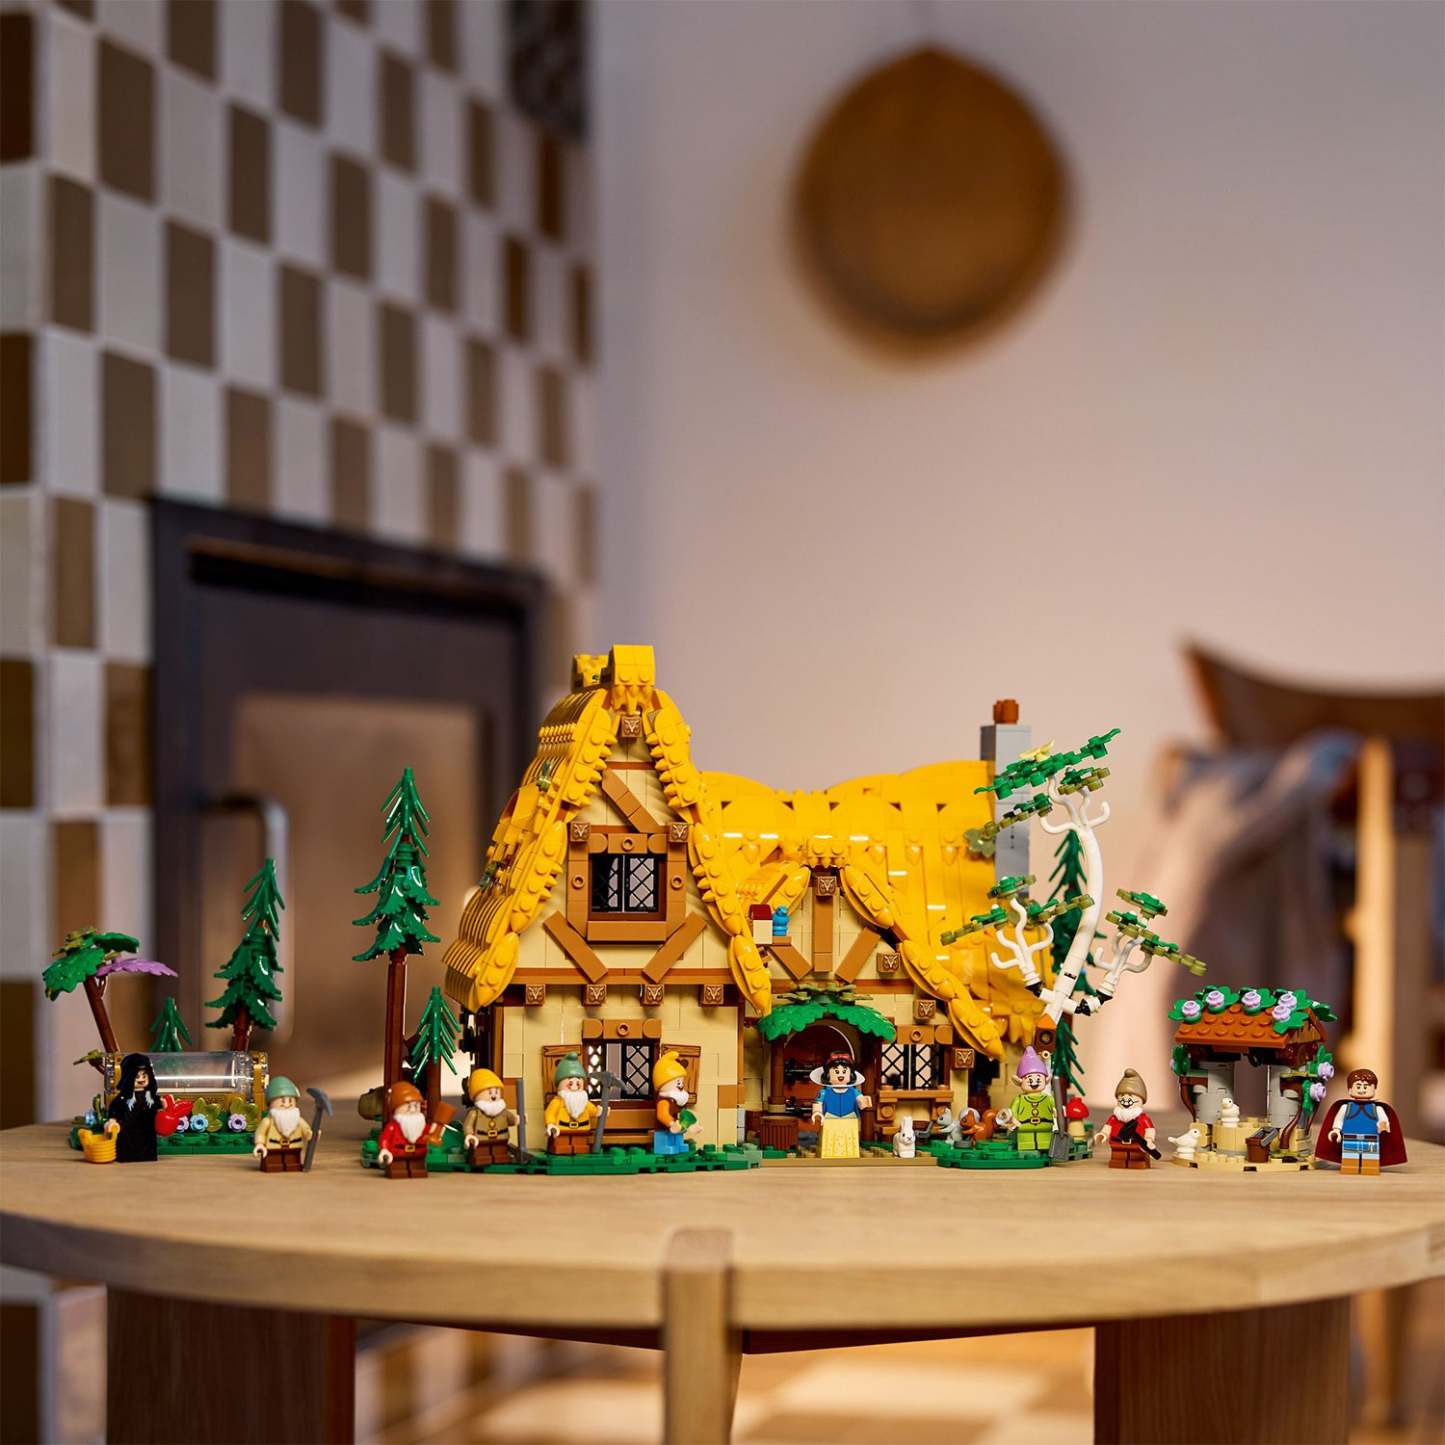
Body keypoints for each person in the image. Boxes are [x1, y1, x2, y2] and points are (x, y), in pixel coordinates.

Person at [1314, 1069, 1406, 1175]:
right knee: (1350, 1159)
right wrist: (1336, 1130)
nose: (1362, 1090)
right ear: (1350, 1090)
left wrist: (1383, 1126)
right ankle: (1350, 1168)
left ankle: (1370, 1168)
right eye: (1358, 1087)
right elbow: (1339, 1119)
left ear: (1374, 1089)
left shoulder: (1377, 1109)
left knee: (1370, 1160)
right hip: (1350, 1138)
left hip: (1371, 1139)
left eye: (1366, 1087)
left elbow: (1384, 1120)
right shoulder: (1345, 1107)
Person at [1092, 1068, 1158, 1170]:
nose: (1125, 1100)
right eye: (1122, 1095)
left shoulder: (1143, 1119)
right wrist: (1103, 1134)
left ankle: (1138, 1163)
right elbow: (1107, 1127)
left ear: (1141, 1100)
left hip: (1137, 1144)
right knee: (1118, 1158)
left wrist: (1149, 1140)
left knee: (1137, 1158)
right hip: (1117, 1143)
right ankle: (1119, 1162)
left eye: (1131, 1096)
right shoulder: (1114, 1118)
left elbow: (1150, 1130)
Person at [810, 1051, 871, 1159]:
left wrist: (864, 1101)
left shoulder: (854, 1092)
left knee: (850, 1144)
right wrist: (817, 1112)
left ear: (850, 1074)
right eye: (837, 1072)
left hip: (849, 1120)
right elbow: (818, 1103)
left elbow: (861, 1101)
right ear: (828, 1075)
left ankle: (851, 1157)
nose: (840, 1075)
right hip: (830, 1120)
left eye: (844, 1071)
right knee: (829, 1144)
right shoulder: (824, 1092)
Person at [105, 1053, 163, 1163]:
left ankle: (147, 1156)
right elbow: (115, 1107)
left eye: (144, 1076)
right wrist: (112, 1119)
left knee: (147, 1146)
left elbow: (156, 1104)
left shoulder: (150, 1095)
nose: (141, 1079)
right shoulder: (125, 1096)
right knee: (127, 1145)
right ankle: (127, 1156)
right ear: (129, 1077)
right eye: (137, 1077)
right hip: (128, 1129)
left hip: (147, 1130)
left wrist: (162, 1104)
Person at [1001, 1046, 1056, 1152]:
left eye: (1038, 1079)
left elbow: (1055, 1109)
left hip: (1045, 1128)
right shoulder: (1019, 1099)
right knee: (1026, 1144)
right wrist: (1013, 1119)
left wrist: (1056, 1112)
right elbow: (1012, 1112)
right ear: (1019, 1081)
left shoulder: (1048, 1099)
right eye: (1029, 1080)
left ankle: (1045, 1149)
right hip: (1024, 1129)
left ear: (1046, 1080)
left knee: (1045, 1142)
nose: (1034, 1082)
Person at [461, 1067, 519, 1168]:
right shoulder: (475, 1113)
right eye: (489, 1093)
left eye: (496, 1092)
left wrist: (517, 1119)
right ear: (476, 1095)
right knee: (481, 1153)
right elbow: (468, 1125)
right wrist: (469, 1135)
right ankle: (481, 1158)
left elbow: (511, 1120)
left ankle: (501, 1157)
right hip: (481, 1139)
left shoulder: (503, 1111)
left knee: (500, 1151)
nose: (493, 1096)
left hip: (501, 1138)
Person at [252, 1077, 312, 1173]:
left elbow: (306, 1131)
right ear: (270, 1103)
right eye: (282, 1101)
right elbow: (261, 1133)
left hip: (294, 1147)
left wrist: (312, 1135)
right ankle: (273, 1166)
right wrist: (260, 1144)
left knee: (292, 1162)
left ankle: (293, 1166)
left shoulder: (298, 1121)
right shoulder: (268, 1122)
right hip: (273, 1148)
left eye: (290, 1101)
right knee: (273, 1162)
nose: (287, 1105)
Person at [544, 1053, 599, 1154]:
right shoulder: (557, 1102)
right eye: (570, 1084)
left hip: (581, 1130)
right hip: (562, 1130)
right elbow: (550, 1113)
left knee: (580, 1144)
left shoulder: (584, 1101)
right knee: (562, 1144)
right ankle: (562, 1149)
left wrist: (599, 1111)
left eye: (578, 1084)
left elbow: (593, 1111)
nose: (574, 1087)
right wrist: (550, 1124)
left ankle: (580, 1148)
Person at [376, 1081, 433, 1179]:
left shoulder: (422, 1125)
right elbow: (385, 1138)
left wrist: (435, 1134)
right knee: (398, 1169)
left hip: (418, 1154)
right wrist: (385, 1149)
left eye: (416, 1106)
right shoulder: (393, 1127)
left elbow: (430, 1135)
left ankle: (417, 1170)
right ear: (395, 1108)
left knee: (418, 1169)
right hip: (398, 1154)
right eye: (408, 1106)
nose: (412, 1110)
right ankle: (397, 1170)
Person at [652, 1051, 701, 1155]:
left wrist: (691, 1123)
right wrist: (672, 1123)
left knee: (678, 1135)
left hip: (676, 1128)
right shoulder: (664, 1100)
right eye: (678, 1082)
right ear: (663, 1082)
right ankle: (665, 1147)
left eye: (682, 1082)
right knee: (666, 1138)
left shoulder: (676, 1100)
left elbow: (684, 1114)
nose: (681, 1086)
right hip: (663, 1130)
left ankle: (679, 1145)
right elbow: (662, 1115)